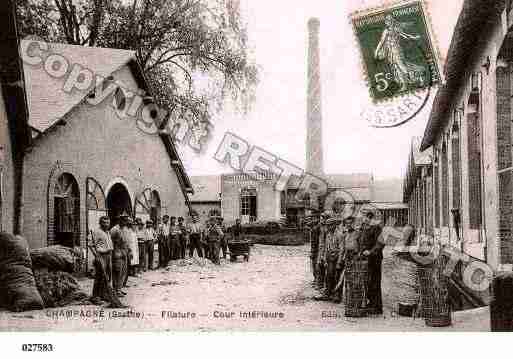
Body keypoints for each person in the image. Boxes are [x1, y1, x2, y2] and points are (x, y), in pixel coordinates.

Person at [361, 211, 385, 315]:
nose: (364, 219)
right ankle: (371, 303)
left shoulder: (376, 228)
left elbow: (380, 243)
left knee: (375, 281)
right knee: (369, 281)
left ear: (370, 218)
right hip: (367, 259)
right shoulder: (365, 228)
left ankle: (377, 307)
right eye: (363, 217)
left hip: (375, 259)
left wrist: (371, 252)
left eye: (366, 217)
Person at [318, 217, 344, 302]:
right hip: (329, 258)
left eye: (330, 225)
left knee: (337, 276)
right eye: (327, 226)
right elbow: (326, 248)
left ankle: (337, 295)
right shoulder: (328, 234)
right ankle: (328, 293)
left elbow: (341, 249)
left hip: (336, 258)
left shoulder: (339, 234)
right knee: (328, 276)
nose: (328, 227)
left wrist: (339, 262)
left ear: (334, 225)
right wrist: (325, 260)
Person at [90, 216, 113, 304]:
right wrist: (96, 256)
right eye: (104, 223)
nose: (106, 224)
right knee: (99, 276)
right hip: (101, 255)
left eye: (108, 223)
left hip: (108, 255)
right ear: (100, 223)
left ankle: (103, 294)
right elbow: (91, 244)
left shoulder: (107, 232)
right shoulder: (96, 232)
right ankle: (95, 297)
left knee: (107, 276)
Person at [110, 214, 131, 297]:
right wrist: (113, 252)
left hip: (124, 252)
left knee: (123, 272)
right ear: (120, 220)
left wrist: (129, 251)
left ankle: (119, 288)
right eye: (124, 220)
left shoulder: (125, 229)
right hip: (117, 253)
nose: (125, 222)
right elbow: (110, 241)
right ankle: (116, 290)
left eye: (126, 220)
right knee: (117, 271)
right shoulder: (114, 229)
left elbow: (126, 241)